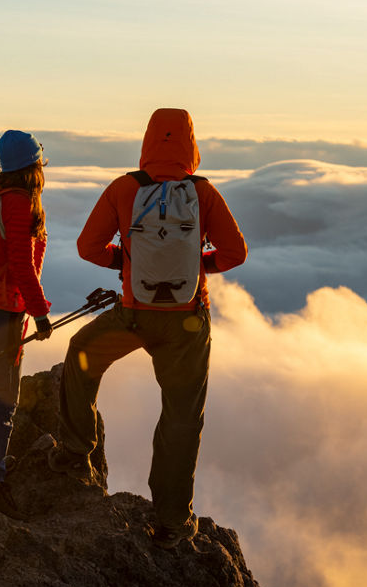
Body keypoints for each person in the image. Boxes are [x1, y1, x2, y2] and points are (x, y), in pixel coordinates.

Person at [46, 108, 247, 548]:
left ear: (147, 142)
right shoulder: (204, 193)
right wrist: (199, 266)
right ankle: (173, 521)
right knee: (180, 418)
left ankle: (76, 453)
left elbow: (87, 247)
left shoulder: (125, 188)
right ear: (192, 146)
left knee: (80, 356)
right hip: (188, 325)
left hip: (133, 317)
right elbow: (235, 254)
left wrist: (126, 262)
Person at [0, 130, 53, 520]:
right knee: (2, 399)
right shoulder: (18, 204)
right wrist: (39, 312)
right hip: (1, 311)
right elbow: (21, 263)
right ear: (33, 166)